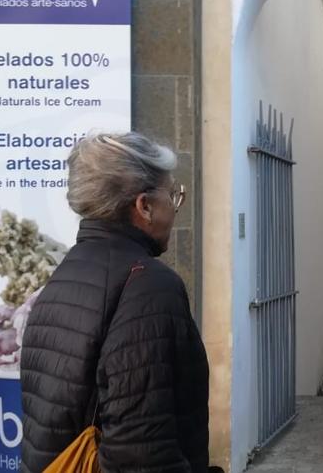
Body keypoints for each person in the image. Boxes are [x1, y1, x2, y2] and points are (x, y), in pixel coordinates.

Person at [20, 132, 210, 473]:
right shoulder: (149, 285)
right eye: (172, 195)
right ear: (144, 206)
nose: (176, 208)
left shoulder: (64, 275)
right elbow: (140, 452)